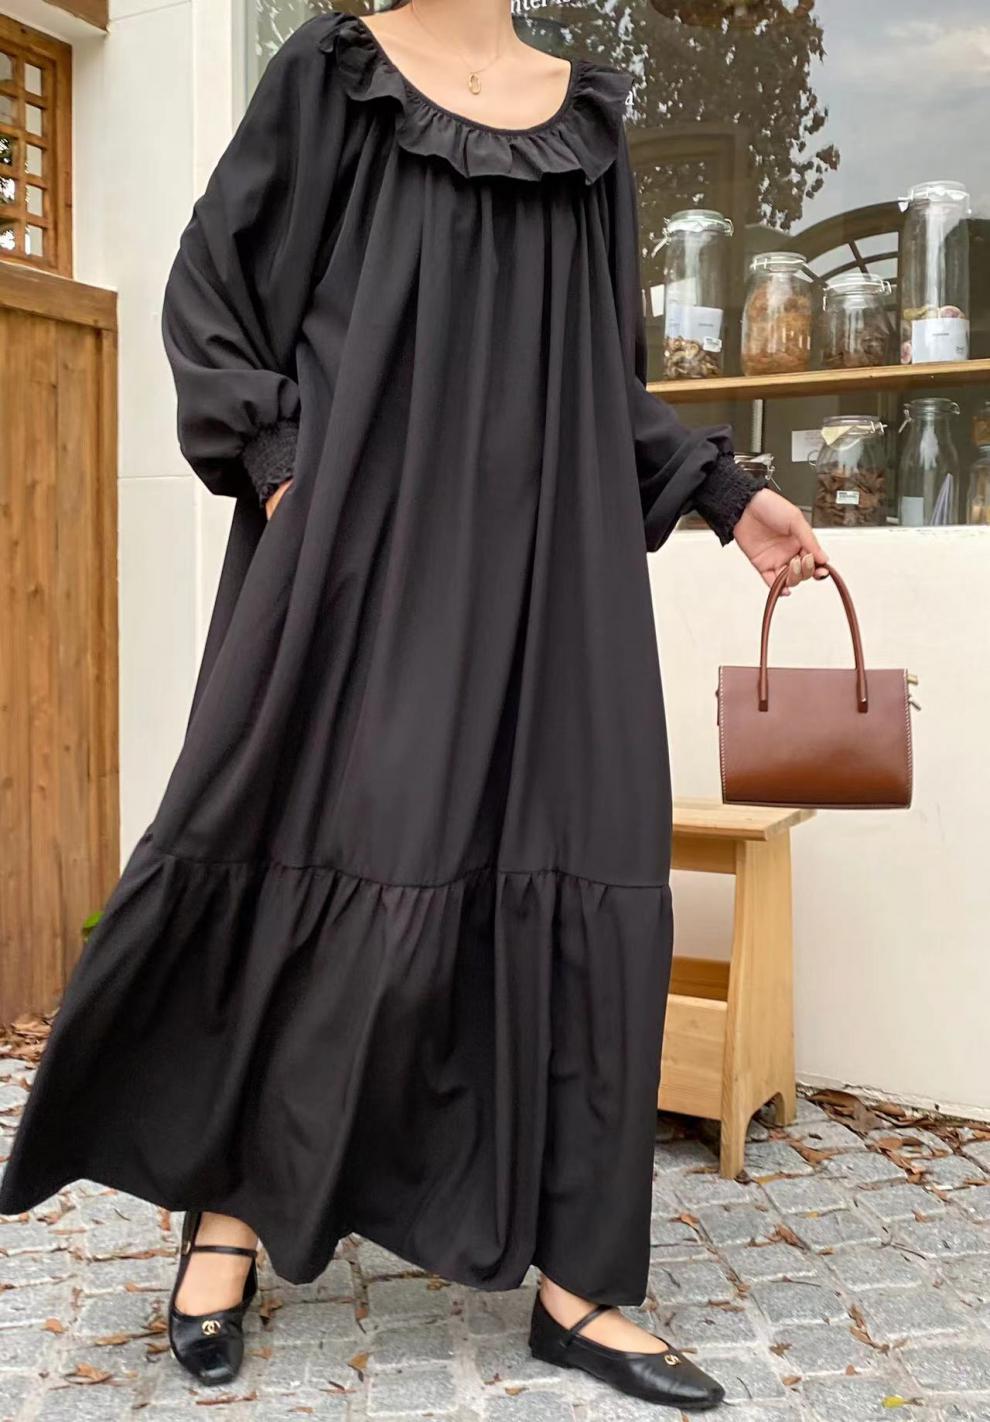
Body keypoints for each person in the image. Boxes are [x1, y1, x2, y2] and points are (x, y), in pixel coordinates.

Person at [0, 2, 827, 1408]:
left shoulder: (584, 124)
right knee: (311, 836)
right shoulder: (335, 76)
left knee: (586, 842)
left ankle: (578, 1281)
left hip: (550, 570)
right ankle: (230, 1213)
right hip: (359, 557)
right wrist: (283, 470)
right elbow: (212, 285)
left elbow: (599, 370)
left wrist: (725, 491)